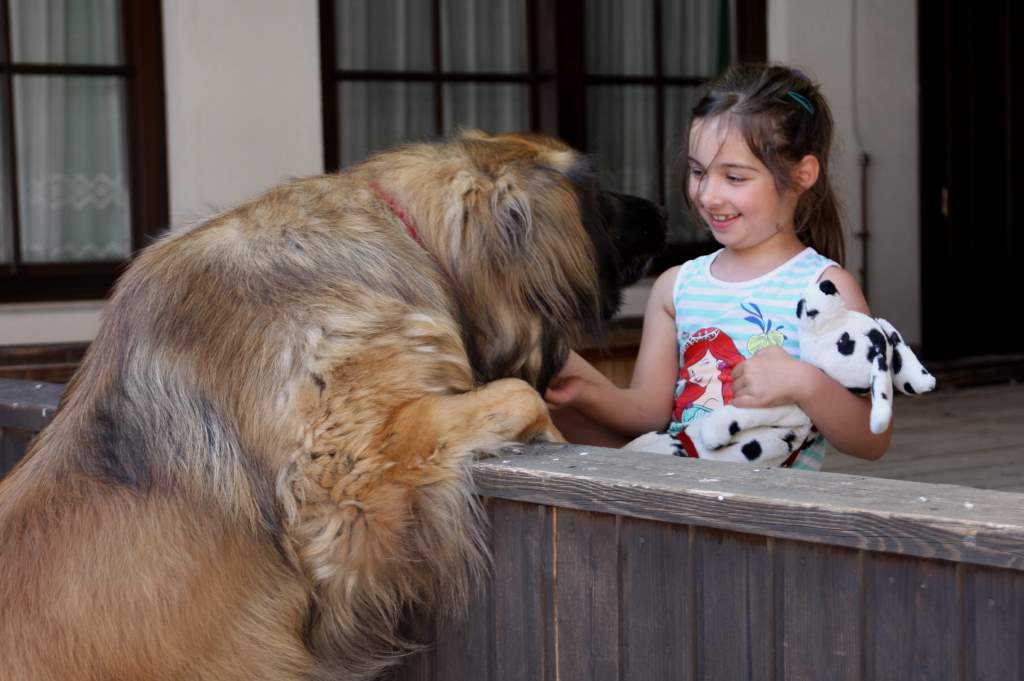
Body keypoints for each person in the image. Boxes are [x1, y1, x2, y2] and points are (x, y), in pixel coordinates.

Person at [545, 63, 891, 470]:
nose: (708, 195)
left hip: (770, 522)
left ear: (802, 176)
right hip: (682, 507)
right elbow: (650, 415)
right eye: (698, 172)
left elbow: (872, 438)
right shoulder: (677, 287)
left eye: (735, 177)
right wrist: (584, 392)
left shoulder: (826, 289)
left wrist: (804, 382)